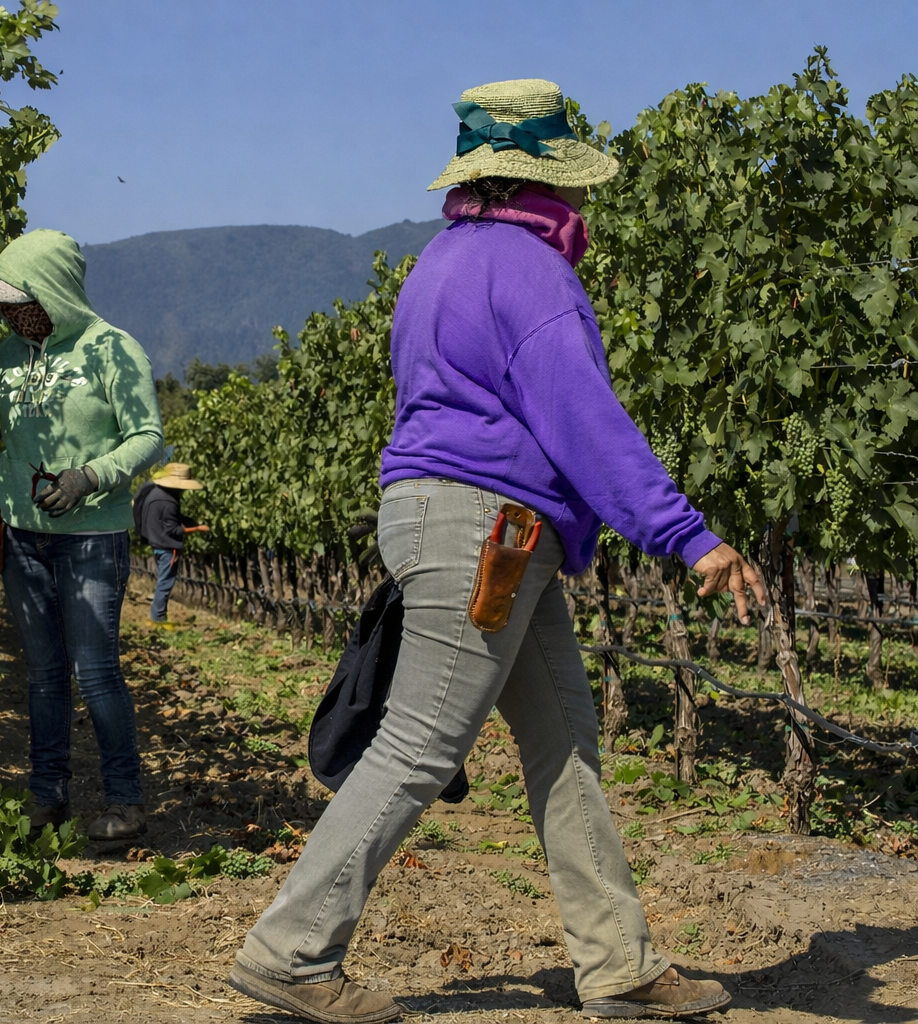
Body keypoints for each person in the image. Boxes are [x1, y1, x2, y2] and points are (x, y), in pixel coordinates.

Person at [227, 79, 765, 1023]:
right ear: (547, 180)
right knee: (420, 744)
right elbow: (585, 421)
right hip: (490, 531)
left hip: (479, 529)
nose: (584, 197)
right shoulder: (530, 272)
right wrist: (688, 536)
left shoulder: (439, 261)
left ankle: (619, 964)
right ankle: (291, 951)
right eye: (576, 180)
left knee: (565, 741)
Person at [0, 230, 164, 841]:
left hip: (92, 538)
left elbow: (147, 437)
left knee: (95, 672)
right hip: (22, 539)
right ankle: (47, 796)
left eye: (16, 302)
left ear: (50, 293)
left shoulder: (113, 350)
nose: (6, 314)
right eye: (1, 305)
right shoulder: (7, 355)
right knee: (44, 674)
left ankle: (126, 802)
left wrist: (88, 477)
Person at [132, 463, 208, 623]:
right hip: (167, 547)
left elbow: (171, 519)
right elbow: (173, 529)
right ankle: (159, 617)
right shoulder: (169, 502)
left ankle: (158, 616)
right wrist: (197, 528)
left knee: (162, 580)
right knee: (165, 583)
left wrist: (189, 521)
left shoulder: (155, 493)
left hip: (156, 542)